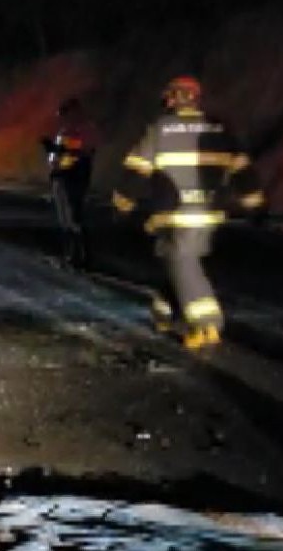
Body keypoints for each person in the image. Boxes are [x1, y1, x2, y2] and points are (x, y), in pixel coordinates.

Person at [111, 75, 266, 351]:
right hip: (208, 216)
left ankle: (207, 324)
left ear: (173, 98)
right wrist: (255, 206)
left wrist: (121, 206)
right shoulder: (220, 129)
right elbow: (243, 172)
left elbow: (136, 172)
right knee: (174, 259)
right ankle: (164, 312)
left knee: (181, 261)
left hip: (174, 216)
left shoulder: (160, 129)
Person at [42, 98, 98, 269]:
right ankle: (71, 254)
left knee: (73, 216)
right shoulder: (65, 132)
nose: (63, 118)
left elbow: (83, 152)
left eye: (65, 114)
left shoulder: (84, 129)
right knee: (65, 218)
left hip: (73, 177)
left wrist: (57, 150)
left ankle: (80, 255)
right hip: (61, 177)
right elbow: (57, 156)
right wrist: (54, 154)